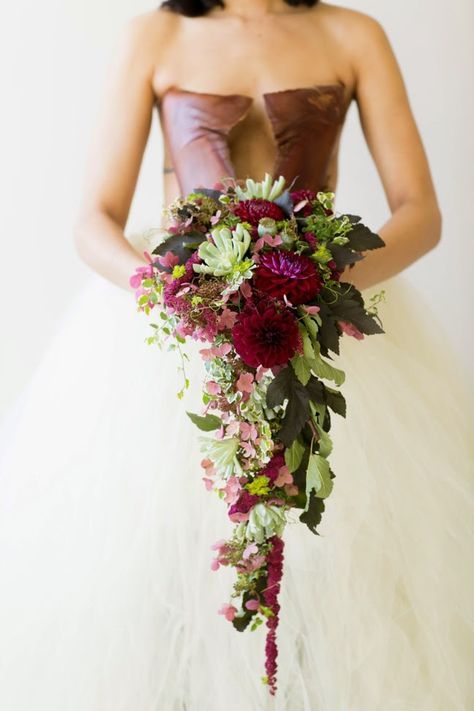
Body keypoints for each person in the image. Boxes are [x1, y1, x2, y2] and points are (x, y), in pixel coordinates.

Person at [0, 1, 472, 709]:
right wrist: (173, 295)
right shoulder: (156, 35)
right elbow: (93, 216)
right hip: (174, 344)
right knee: (160, 578)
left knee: (334, 575)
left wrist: (322, 282)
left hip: (317, 321)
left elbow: (420, 212)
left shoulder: (353, 34)